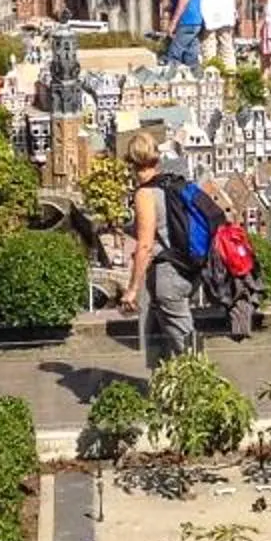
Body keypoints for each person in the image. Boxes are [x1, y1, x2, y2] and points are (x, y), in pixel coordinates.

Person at [120, 129, 198, 371]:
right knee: (160, 341)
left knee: (188, 349)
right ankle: (165, 394)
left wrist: (132, 289)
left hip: (167, 277)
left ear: (133, 163)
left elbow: (144, 246)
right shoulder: (172, 183)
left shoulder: (145, 194)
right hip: (187, 271)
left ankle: (205, 395)